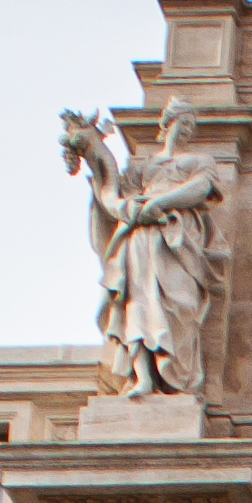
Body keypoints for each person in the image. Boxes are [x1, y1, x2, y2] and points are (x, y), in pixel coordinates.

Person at [61, 101, 225, 399]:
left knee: (180, 305)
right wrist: (94, 153)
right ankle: (144, 377)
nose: (187, 129)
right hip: (140, 238)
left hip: (177, 239)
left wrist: (159, 203)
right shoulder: (143, 167)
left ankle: (174, 378)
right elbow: (113, 193)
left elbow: (201, 188)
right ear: (168, 122)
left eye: (191, 124)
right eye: (183, 122)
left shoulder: (200, 161)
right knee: (137, 300)